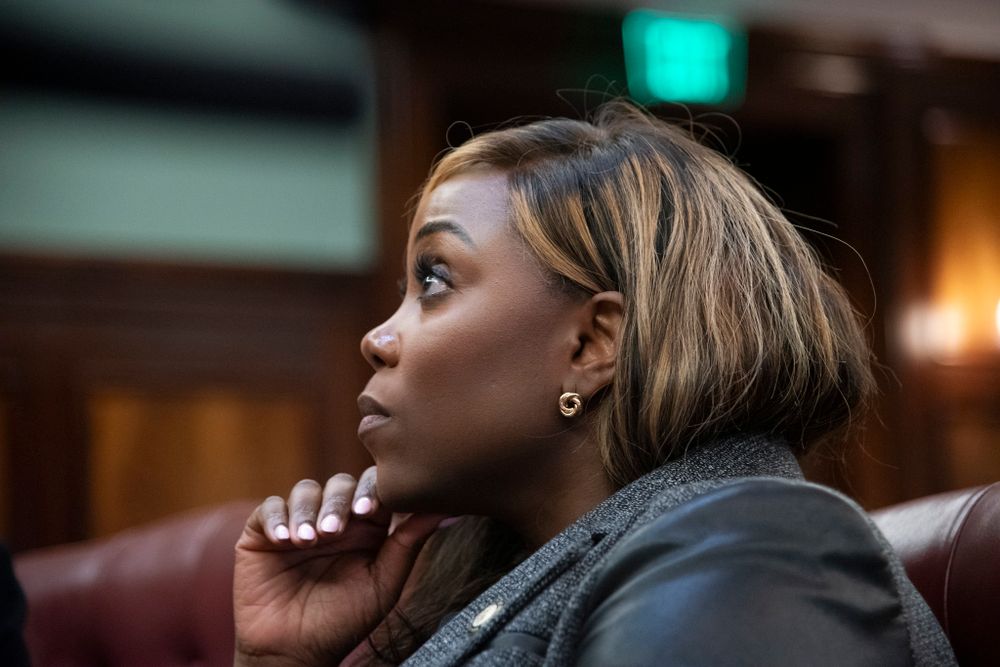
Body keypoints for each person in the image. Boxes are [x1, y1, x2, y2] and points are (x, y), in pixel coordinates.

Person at [232, 101, 956, 666]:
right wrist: (278, 661)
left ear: (591, 344)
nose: (376, 338)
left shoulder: (749, 549)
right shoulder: (518, 566)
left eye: (435, 281)